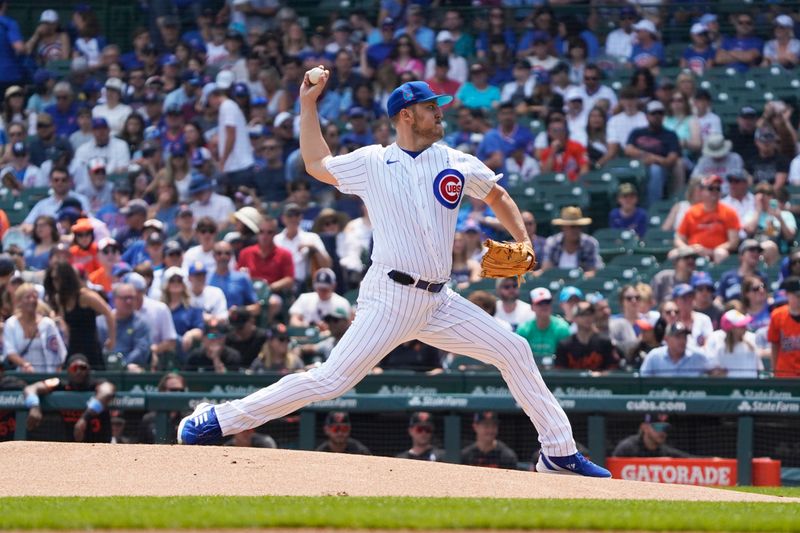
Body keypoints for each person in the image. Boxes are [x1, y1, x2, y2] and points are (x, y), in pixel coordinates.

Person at [177, 73, 610, 477]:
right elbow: (316, 162)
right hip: (390, 296)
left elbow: (496, 194)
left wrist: (524, 241)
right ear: (406, 115)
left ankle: (557, 452)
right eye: (430, 106)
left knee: (514, 350)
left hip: (440, 301)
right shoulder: (372, 163)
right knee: (330, 380)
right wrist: (308, 104)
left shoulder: (455, 161)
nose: (440, 111)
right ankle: (217, 419)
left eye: (439, 106)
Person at [23, 353, 116, 442]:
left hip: (101, 444)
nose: (79, 371)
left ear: (88, 369)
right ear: (68, 370)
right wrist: (34, 406)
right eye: (74, 368)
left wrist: (84, 418)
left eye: (82, 368)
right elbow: (30, 388)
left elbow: (107, 391)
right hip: (71, 446)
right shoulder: (60, 384)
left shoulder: (96, 384)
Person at [44, 261, 115, 370]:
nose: (55, 283)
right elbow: (66, 324)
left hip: (91, 347)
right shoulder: (60, 299)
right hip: (73, 347)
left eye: (57, 279)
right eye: (53, 279)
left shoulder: (85, 296)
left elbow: (109, 313)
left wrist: (112, 339)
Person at [624, 100, 681, 208]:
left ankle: (652, 207)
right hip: (637, 164)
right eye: (653, 113)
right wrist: (645, 156)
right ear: (646, 116)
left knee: (655, 170)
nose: (657, 116)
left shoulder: (670, 135)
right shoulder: (637, 132)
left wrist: (654, 159)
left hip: (660, 168)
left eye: (660, 113)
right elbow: (628, 149)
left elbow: (671, 160)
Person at [675, 174, 740, 264]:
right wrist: (688, 249)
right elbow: (679, 238)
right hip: (693, 252)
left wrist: (711, 251)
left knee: (721, 253)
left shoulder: (729, 212)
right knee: (673, 254)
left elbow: (733, 242)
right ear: (702, 191)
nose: (715, 191)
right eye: (711, 188)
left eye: (718, 189)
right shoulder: (691, 212)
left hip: (715, 253)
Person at [3, 283, 66, 373]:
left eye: (34, 297)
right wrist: (24, 364)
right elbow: (10, 351)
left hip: (46, 376)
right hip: (21, 375)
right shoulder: (11, 324)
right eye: (28, 297)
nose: (32, 300)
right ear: (19, 301)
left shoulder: (47, 324)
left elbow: (58, 353)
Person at [555, 301, 619, 372]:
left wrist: (600, 375)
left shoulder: (605, 342)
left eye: (590, 314)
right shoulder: (565, 345)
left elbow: (612, 370)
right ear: (574, 318)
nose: (587, 317)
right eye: (583, 314)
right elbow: (560, 372)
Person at [539, 207, 602, 277]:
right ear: (563, 227)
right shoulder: (552, 243)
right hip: (555, 283)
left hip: (581, 285)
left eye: (579, 226)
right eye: (572, 226)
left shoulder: (590, 244)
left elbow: (594, 271)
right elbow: (547, 270)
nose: (576, 230)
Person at [515, 288, 570, 366]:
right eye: (540, 303)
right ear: (532, 307)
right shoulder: (524, 330)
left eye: (547, 302)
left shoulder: (562, 328)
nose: (544, 306)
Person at [640, 322, 714, 377]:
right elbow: (643, 380)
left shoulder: (698, 356)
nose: (682, 341)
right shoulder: (654, 356)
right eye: (678, 337)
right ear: (667, 339)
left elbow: (714, 372)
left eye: (684, 337)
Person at [706, 310, 762, 378]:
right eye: (741, 326)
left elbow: (759, 369)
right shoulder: (720, 348)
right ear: (731, 328)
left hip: (751, 386)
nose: (745, 328)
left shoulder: (751, 345)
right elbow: (714, 371)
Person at [612, 414, 692, 458]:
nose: (662, 432)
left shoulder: (666, 452)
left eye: (665, 427)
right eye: (657, 427)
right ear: (644, 427)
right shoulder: (627, 448)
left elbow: (692, 460)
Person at [717, 239, 768, 303]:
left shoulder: (762, 277)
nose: (756, 253)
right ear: (741, 255)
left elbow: (767, 299)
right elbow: (719, 299)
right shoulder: (728, 277)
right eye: (752, 249)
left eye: (759, 251)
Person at [768, 277, 800, 377]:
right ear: (787, 294)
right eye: (797, 295)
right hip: (785, 373)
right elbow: (774, 345)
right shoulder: (777, 315)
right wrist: (774, 371)